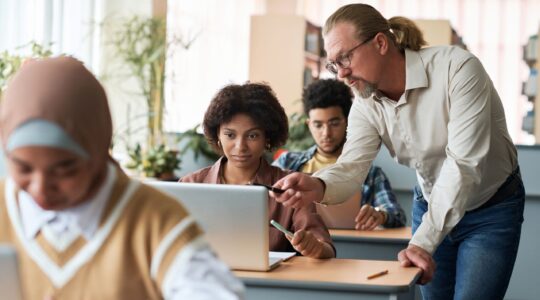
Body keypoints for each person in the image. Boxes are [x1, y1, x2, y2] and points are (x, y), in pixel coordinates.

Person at [271, 4, 524, 300]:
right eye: (333, 65)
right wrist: (318, 184)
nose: (341, 74)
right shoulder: (366, 103)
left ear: (380, 43)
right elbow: (352, 167)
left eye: (345, 58)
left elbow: (463, 166)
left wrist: (422, 242)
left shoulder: (457, 68)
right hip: (431, 205)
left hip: (490, 209)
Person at [0, 57, 244, 300]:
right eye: (23, 168)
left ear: (97, 150)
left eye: (64, 169)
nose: (40, 187)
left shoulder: (154, 220)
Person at [179, 83, 335, 259]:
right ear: (218, 136)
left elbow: (326, 249)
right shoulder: (191, 185)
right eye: (230, 135)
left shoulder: (290, 188)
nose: (241, 147)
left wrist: (315, 248)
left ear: (267, 137)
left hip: (270, 284)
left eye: (252, 136)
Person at [273, 79, 406, 230]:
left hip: (350, 247)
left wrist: (380, 215)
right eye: (318, 125)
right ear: (308, 124)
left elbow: (396, 214)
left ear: (348, 121)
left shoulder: (370, 174)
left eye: (334, 123)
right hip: (295, 245)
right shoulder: (286, 163)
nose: (326, 133)